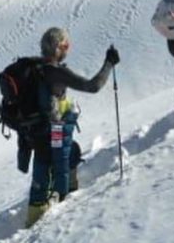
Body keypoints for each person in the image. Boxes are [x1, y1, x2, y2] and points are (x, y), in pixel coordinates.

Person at [25, 27, 120, 227]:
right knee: (66, 157)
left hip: (35, 131)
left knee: (43, 166)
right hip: (54, 130)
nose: (68, 49)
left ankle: (35, 213)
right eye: (66, 45)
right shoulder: (56, 72)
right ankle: (67, 206)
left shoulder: (34, 68)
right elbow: (93, 86)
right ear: (58, 48)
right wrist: (109, 64)